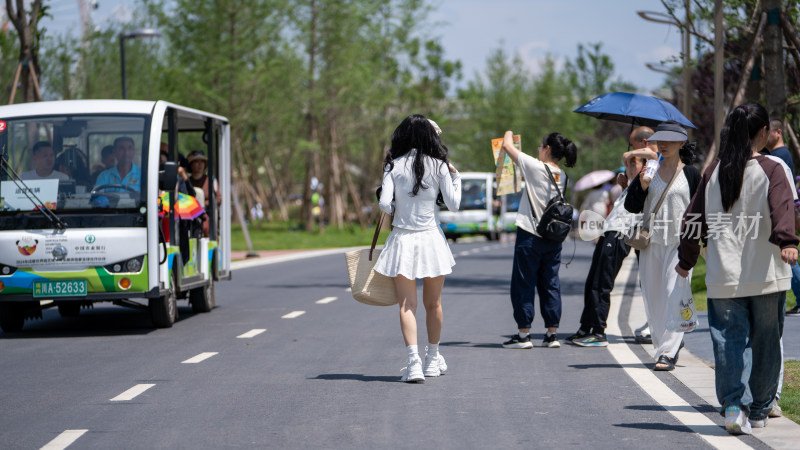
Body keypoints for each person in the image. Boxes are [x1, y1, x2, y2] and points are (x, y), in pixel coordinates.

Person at [675, 103, 798, 434]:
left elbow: (693, 219)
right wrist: (788, 241)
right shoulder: (772, 168)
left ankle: (732, 407)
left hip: (723, 277)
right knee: (766, 342)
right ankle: (759, 410)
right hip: (767, 274)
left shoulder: (714, 170)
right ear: (762, 133)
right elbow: (783, 206)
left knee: (729, 341)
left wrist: (686, 260)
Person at [373, 114, 460, 383]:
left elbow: (385, 205)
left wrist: (400, 206)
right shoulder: (440, 166)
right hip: (431, 239)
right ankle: (433, 359)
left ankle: (413, 364)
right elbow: (454, 204)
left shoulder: (393, 166)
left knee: (407, 304)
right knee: (433, 303)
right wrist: (456, 178)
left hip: (403, 239)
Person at [624, 121, 701, 371]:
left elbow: (701, 209)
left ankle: (667, 352)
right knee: (655, 298)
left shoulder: (691, 173)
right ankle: (663, 347)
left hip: (680, 243)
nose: (664, 145)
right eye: (660, 140)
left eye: (670, 140)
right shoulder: (650, 169)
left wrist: (703, 240)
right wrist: (642, 183)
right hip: (651, 243)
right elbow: (631, 206)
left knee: (671, 293)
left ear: (681, 143)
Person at [500, 130, 578, 349]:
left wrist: (509, 133)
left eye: (540, 146)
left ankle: (524, 335)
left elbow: (507, 146)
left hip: (531, 235)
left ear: (547, 149)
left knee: (524, 282)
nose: (537, 150)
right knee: (550, 283)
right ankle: (552, 334)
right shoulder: (562, 175)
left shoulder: (536, 167)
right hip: (553, 237)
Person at [568, 152, 645, 347]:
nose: (627, 166)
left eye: (632, 164)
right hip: (608, 231)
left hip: (618, 235)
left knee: (602, 283)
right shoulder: (631, 185)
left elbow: (652, 156)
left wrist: (634, 157)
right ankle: (585, 328)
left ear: (644, 166)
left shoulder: (647, 181)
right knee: (592, 281)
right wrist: (625, 185)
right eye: (626, 164)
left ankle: (599, 332)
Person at [621, 127, 660, 344]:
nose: (629, 150)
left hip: (659, 230)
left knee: (656, 281)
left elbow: (654, 154)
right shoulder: (647, 163)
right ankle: (652, 321)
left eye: (632, 145)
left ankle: (657, 324)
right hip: (645, 227)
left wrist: (630, 157)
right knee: (647, 279)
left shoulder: (656, 159)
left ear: (643, 142)